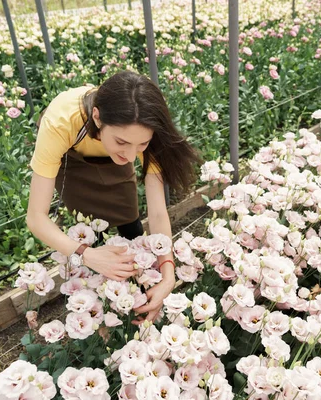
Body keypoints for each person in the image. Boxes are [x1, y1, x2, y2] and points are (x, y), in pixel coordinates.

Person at [26, 71, 201, 322]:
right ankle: (95, 311)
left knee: (128, 214)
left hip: (107, 145)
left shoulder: (142, 127)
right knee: (84, 224)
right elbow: (36, 217)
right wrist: (86, 253)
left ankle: (139, 296)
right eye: (122, 142)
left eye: (141, 145)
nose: (131, 157)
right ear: (97, 117)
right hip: (73, 154)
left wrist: (168, 272)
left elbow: (158, 212)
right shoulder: (60, 122)